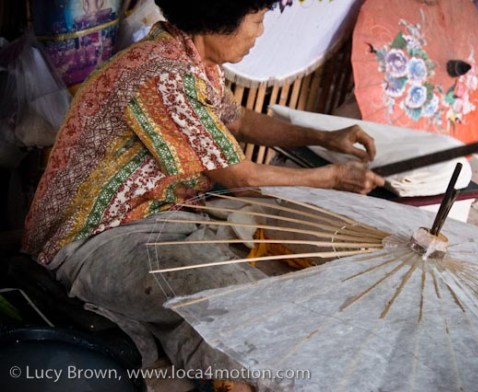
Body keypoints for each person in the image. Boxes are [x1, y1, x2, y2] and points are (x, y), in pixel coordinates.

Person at [22, 1, 384, 390]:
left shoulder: (190, 60)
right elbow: (238, 175)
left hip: (154, 219)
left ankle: (233, 379)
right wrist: (330, 177)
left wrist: (325, 137)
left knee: (244, 284)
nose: (260, 32)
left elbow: (240, 119)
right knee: (231, 288)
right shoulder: (159, 74)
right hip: (89, 242)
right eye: (257, 21)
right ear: (216, 21)